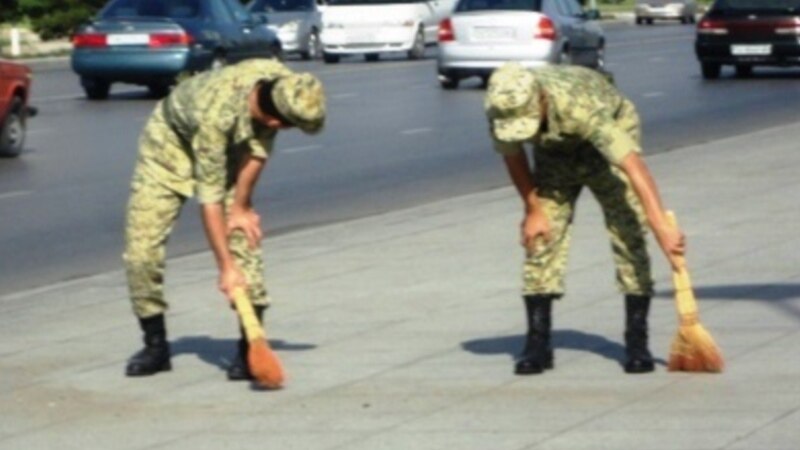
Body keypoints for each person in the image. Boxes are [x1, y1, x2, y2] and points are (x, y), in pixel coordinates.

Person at [123, 59, 326, 380]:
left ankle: (250, 346)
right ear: (276, 121)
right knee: (141, 252)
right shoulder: (216, 117)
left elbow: (258, 151)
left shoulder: (287, 86)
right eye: (288, 127)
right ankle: (155, 344)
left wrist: (242, 206)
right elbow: (211, 201)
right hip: (168, 148)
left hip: (233, 147)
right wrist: (226, 268)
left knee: (245, 239)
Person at [485, 63, 685, 375]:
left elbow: (633, 167)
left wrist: (660, 225)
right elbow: (513, 156)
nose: (523, 129)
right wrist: (533, 209)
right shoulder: (502, 106)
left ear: (540, 100)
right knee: (540, 236)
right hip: (555, 152)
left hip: (604, 142)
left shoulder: (581, 107)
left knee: (629, 228)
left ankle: (636, 340)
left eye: (528, 121)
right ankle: (537, 344)